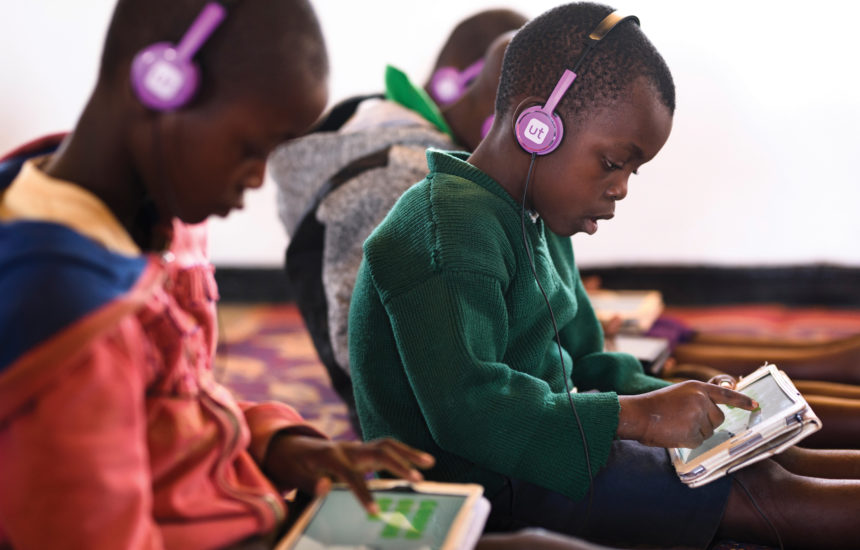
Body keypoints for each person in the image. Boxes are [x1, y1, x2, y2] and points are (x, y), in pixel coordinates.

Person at [348, 3, 860, 549]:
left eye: (631, 171)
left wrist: (672, 399)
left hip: (542, 455)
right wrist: (638, 419)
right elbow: (469, 413)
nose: (620, 189)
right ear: (536, 127)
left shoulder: (533, 216)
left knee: (764, 457)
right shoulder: (446, 227)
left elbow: (589, 362)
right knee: (758, 495)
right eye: (613, 163)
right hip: (484, 489)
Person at [0, 1, 436, 549]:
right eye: (250, 150)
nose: (256, 181)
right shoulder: (63, 307)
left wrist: (276, 444)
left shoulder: (155, 218)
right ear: (161, 84)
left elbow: (176, 399)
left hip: (237, 505)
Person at [268, 10, 526, 436]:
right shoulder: (400, 173)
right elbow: (365, 342)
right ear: (456, 82)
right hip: (416, 419)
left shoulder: (373, 124)